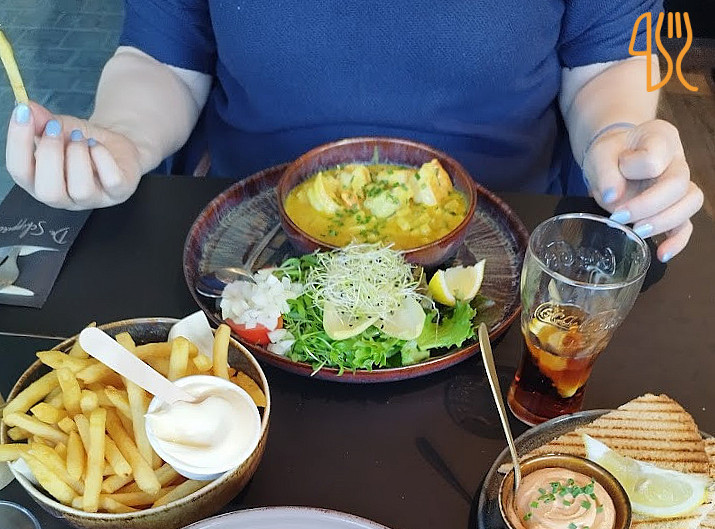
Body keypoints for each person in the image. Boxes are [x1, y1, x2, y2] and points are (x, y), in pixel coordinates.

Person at [5, 0, 704, 262]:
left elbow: (607, 58)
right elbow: (163, 57)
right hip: (256, 244)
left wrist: (617, 132)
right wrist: (123, 136)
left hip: (501, 244)